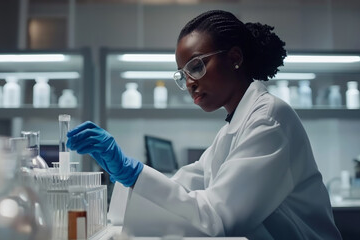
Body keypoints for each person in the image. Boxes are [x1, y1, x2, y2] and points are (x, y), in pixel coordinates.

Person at [66, 10, 341, 239]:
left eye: (196, 67)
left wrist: (132, 171)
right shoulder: (231, 131)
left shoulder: (269, 120)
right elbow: (184, 186)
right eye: (183, 75)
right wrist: (124, 175)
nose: (189, 83)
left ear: (234, 58)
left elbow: (217, 219)